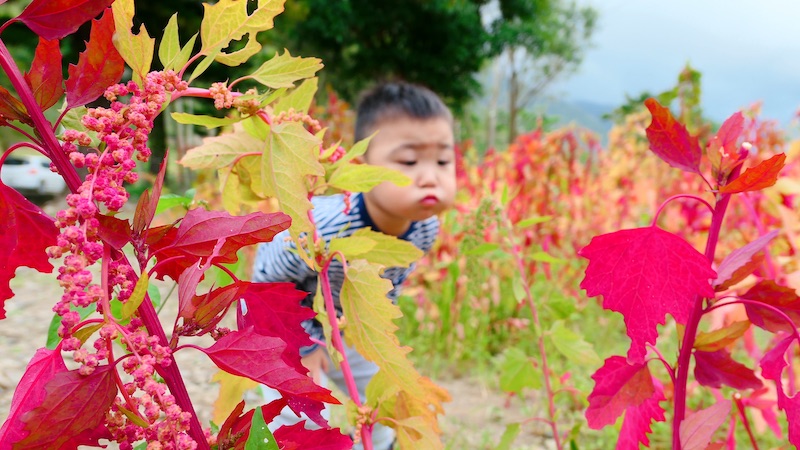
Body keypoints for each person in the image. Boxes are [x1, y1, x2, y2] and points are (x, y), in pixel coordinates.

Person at [249, 81, 457, 450]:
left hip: (351, 323)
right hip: (287, 323)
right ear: (361, 168)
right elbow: (266, 276)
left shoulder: (426, 226)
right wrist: (304, 345)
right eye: (409, 162)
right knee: (295, 408)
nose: (430, 176)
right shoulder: (327, 228)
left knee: (377, 405)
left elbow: (392, 281)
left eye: (443, 160)